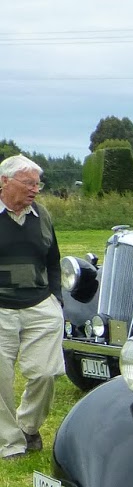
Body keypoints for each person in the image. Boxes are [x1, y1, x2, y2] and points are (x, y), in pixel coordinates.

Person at [0, 155, 64, 459]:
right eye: (28, 183)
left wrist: (56, 299)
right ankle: (9, 443)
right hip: (1, 309)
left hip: (40, 305)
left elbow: (54, 260)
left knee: (46, 373)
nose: (35, 190)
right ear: (4, 182)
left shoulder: (42, 215)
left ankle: (28, 426)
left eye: (38, 184)